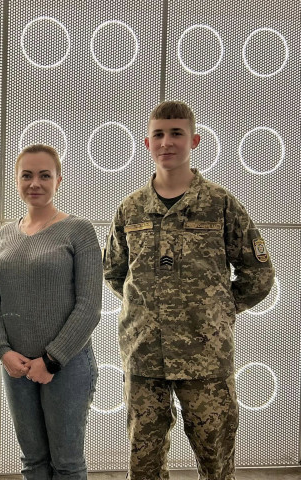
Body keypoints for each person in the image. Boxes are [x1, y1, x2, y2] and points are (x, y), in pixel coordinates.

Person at [103, 101, 275, 479]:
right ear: (147, 143)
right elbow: (114, 272)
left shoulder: (219, 204)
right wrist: (148, 310)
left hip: (205, 355)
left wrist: (219, 308)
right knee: (144, 465)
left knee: (216, 462)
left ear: (194, 140)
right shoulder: (131, 209)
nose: (167, 142)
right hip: (144, 354)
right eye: (159, 134)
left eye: (176, 133)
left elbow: (259, 273)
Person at [0, 144, 102, 480]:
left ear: (58, 181)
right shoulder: (6, 233)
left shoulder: (79, 230)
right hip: (16, 366)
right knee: (33, 462)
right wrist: (2, 351)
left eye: (44, 175)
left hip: (67, 365)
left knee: (66, 463)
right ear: (17, 181)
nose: (34, 183)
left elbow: (89, 306)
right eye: (27, 175)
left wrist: (51, 360)